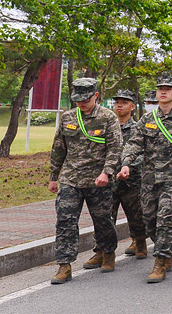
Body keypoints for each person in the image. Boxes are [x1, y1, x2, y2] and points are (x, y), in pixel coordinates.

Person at [118, 73, 172, 283]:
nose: (162, 91)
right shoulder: (147, 119)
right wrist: (126, 162)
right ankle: (166, 247)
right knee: (149, 221)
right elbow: (134, 143)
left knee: (164, 220)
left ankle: (160, 262)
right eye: (160, 88)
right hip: (149, 179)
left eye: (168, 89)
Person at [48, 78, 123, 284]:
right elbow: (58, 148)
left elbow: (115, 148)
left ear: (96, 96)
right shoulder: (67, 117)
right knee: (65, 221)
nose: (81, 103)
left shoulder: (108, 118)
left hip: (98, 180)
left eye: (86, 99)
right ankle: (64, 265)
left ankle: (107, 252)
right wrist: (54, 177)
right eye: (77, 99)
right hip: (71, 178)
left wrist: (106, 173)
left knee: (103, 220)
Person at [89, 89, 146, 262]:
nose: (119, 105)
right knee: (104, 217)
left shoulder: (138, 128)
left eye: (124, 102)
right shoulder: (106, 125)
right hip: (109, 180)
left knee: (136, 216)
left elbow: (143, 151)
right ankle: (101, 251)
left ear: (133, 106)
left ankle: (140, 242)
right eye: (117, 102)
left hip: (131, 180)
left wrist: (128, 166)